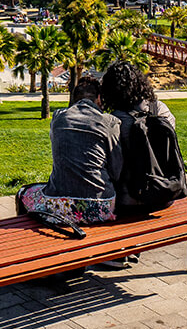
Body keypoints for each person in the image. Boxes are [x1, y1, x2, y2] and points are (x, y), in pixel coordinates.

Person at [101, 60, 177, 267]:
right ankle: (131, 247)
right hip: (164, 194)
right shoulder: (161, 110)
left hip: (129, 202)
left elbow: (112, 169)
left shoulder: (113, 121)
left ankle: (117, 252)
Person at [18, 74, 121, 226]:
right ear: (99, 98)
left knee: (24, 192)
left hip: (59, 206)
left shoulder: (59, 117)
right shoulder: (109, 122)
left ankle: (28, 241)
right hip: (101, 206)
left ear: (74, 98)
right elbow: (116, 169)